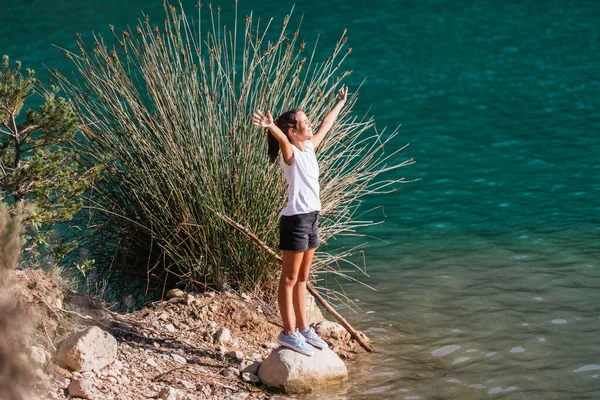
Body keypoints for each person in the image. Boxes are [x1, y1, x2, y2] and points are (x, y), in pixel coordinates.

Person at [252, 86, 348, 356]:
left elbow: (327, 125)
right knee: (289, 278)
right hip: (295, 220)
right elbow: (282, 139)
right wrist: (271, 125)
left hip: (312, 217)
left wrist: (341, 102)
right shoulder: (291, 154)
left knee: (303, 277)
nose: (310, 124)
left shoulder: (309, 148)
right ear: (293, 131)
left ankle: (305, 329)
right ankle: (288, 333)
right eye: (304, 122)